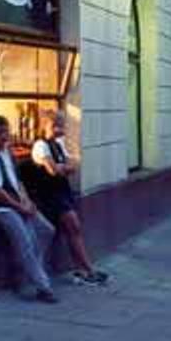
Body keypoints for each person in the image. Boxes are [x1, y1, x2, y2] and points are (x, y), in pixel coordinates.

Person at [31, 110, 108, 286]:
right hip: (50, 195)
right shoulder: (40, 145)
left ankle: (81, 271)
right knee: (74, 227)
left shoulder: (58, 144)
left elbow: (73, 166)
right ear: (45, 125)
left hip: (62, 192)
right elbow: (53, 170)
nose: (59, 129)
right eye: (55, 125)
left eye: (61, 124)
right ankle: (88, 271)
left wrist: (62, 167)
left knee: (74, 231)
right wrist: (62, 167)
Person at [0, 114, 57, 303]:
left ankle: (30, 270)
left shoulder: (9, 154)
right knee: (25, 243)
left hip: (19, 204)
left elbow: (18, 182)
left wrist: (28, 202)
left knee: (47, 230)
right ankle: (44, 287)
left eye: (5, 130)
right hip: (3, 209)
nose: (4, 135)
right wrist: (19, 207)